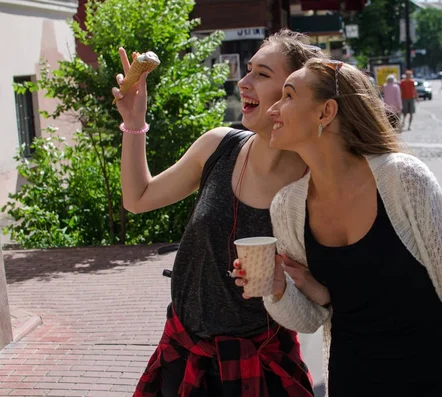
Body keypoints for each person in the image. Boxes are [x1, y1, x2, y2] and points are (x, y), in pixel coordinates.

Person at [233, 59, 442, 396]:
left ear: (326, 113)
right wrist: (277, 288)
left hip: (432, 381)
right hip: (351, 381)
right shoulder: (287, 207)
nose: (273, 110)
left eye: (289, 96)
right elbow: (312, 318)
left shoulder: (403, 180)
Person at [112, 29, 325, 397]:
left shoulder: (313, 184)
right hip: (182, 354)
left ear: (293, 93)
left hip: (259, 364)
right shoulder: (219, 146)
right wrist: (134, 122)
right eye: (247, 70)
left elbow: (324, 297)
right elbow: (138, 197)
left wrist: (292, 280)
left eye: (262, 74)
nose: (243, 82)